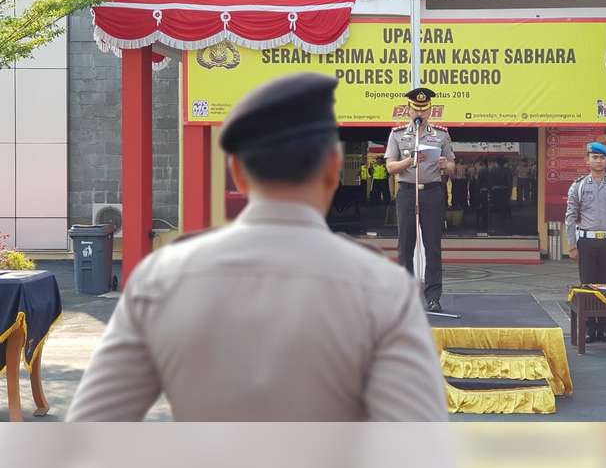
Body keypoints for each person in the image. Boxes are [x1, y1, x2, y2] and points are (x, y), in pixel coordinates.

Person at [66, 73, 447, 421]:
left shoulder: (161, 278)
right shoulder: (384, 288)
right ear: (333, 169)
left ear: (236, 172)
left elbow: (89, 437)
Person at [385, 87, 455, 313]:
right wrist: (409, 161)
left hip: (432, 192)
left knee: (432, 245)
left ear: (431, 111)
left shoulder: (441, 134)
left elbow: (453, 166)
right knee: (405, 244)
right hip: (406, 191)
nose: (420, 114)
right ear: (408, 110)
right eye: (416, 109)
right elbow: (390, 167)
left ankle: (433, 297)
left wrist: (446, 165)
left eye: (424, 110)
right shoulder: (397, 134)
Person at [565, 142, 606, 344]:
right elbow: (570, 216)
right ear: (587, 160)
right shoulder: (578, 186)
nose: (598, 160)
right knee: (587, 286)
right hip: (586, 242)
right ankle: (589, 329)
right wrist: (572, 245)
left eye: (602, 157)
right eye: (594, 157)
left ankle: (604, 329)